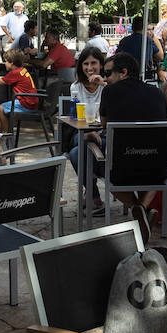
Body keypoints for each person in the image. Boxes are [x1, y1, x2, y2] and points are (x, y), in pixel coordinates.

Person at [98, 54, 167, 236]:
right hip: (157, 169)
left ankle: (135, 207)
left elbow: (104, 125)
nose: (106, 78)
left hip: (122, 170)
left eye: (108, 73)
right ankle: (144, 209)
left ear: (123, 72)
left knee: (99, 164)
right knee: (155, 177)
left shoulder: (109, 91)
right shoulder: (156, 92)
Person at [67, 47, 109, 214]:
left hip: (105, 135)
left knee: (76, 153)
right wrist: (87, 132)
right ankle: (94, 197)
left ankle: (93, 196)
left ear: (101, 65)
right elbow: (75, 116)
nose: (90, 68)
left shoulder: (108, 86)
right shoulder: (75, 87)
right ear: (80, 66)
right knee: (80, 141)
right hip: (82, 133)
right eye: (86, 63)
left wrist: (104, 84)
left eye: (94, 63)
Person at [0, 49, 39, 134]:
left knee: (0, 108)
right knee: (2, 113)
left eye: (6, 61)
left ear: (12, 62)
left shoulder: (15, 73)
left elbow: (0, 81)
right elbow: (4, 78)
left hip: (26, 104)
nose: (5, 63)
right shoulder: (21, 70)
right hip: (32, 102)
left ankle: (8, 135)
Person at [115, 16, 162, 81]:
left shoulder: (124, 41)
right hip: (145, 77)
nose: (151, 31)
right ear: (145, 27)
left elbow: (117, 57)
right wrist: (153, 36)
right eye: (149, 29)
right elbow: (160, 56)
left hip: (126, 76)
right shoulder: (148, 41)